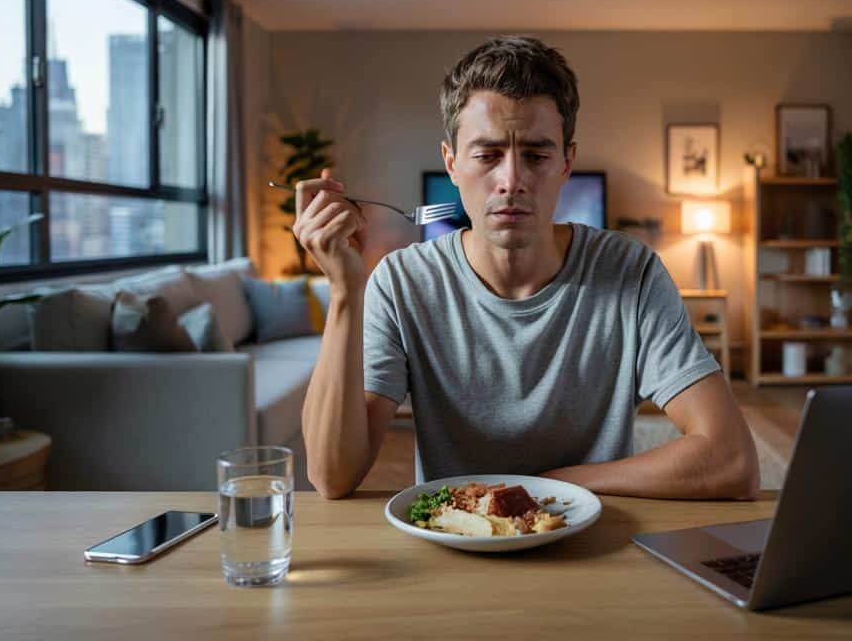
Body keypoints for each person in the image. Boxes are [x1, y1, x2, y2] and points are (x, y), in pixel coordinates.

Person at [294, 35, 759, 500]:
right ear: (451, 163)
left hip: (595, 536)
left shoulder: (630, 272)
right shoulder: (402, 282)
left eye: (536, 156)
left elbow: (731, 459)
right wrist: (344, 290)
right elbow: (332, 476)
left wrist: (548, 487)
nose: (512, 181)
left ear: (566, 163)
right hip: (453, 537)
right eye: (487, 155)